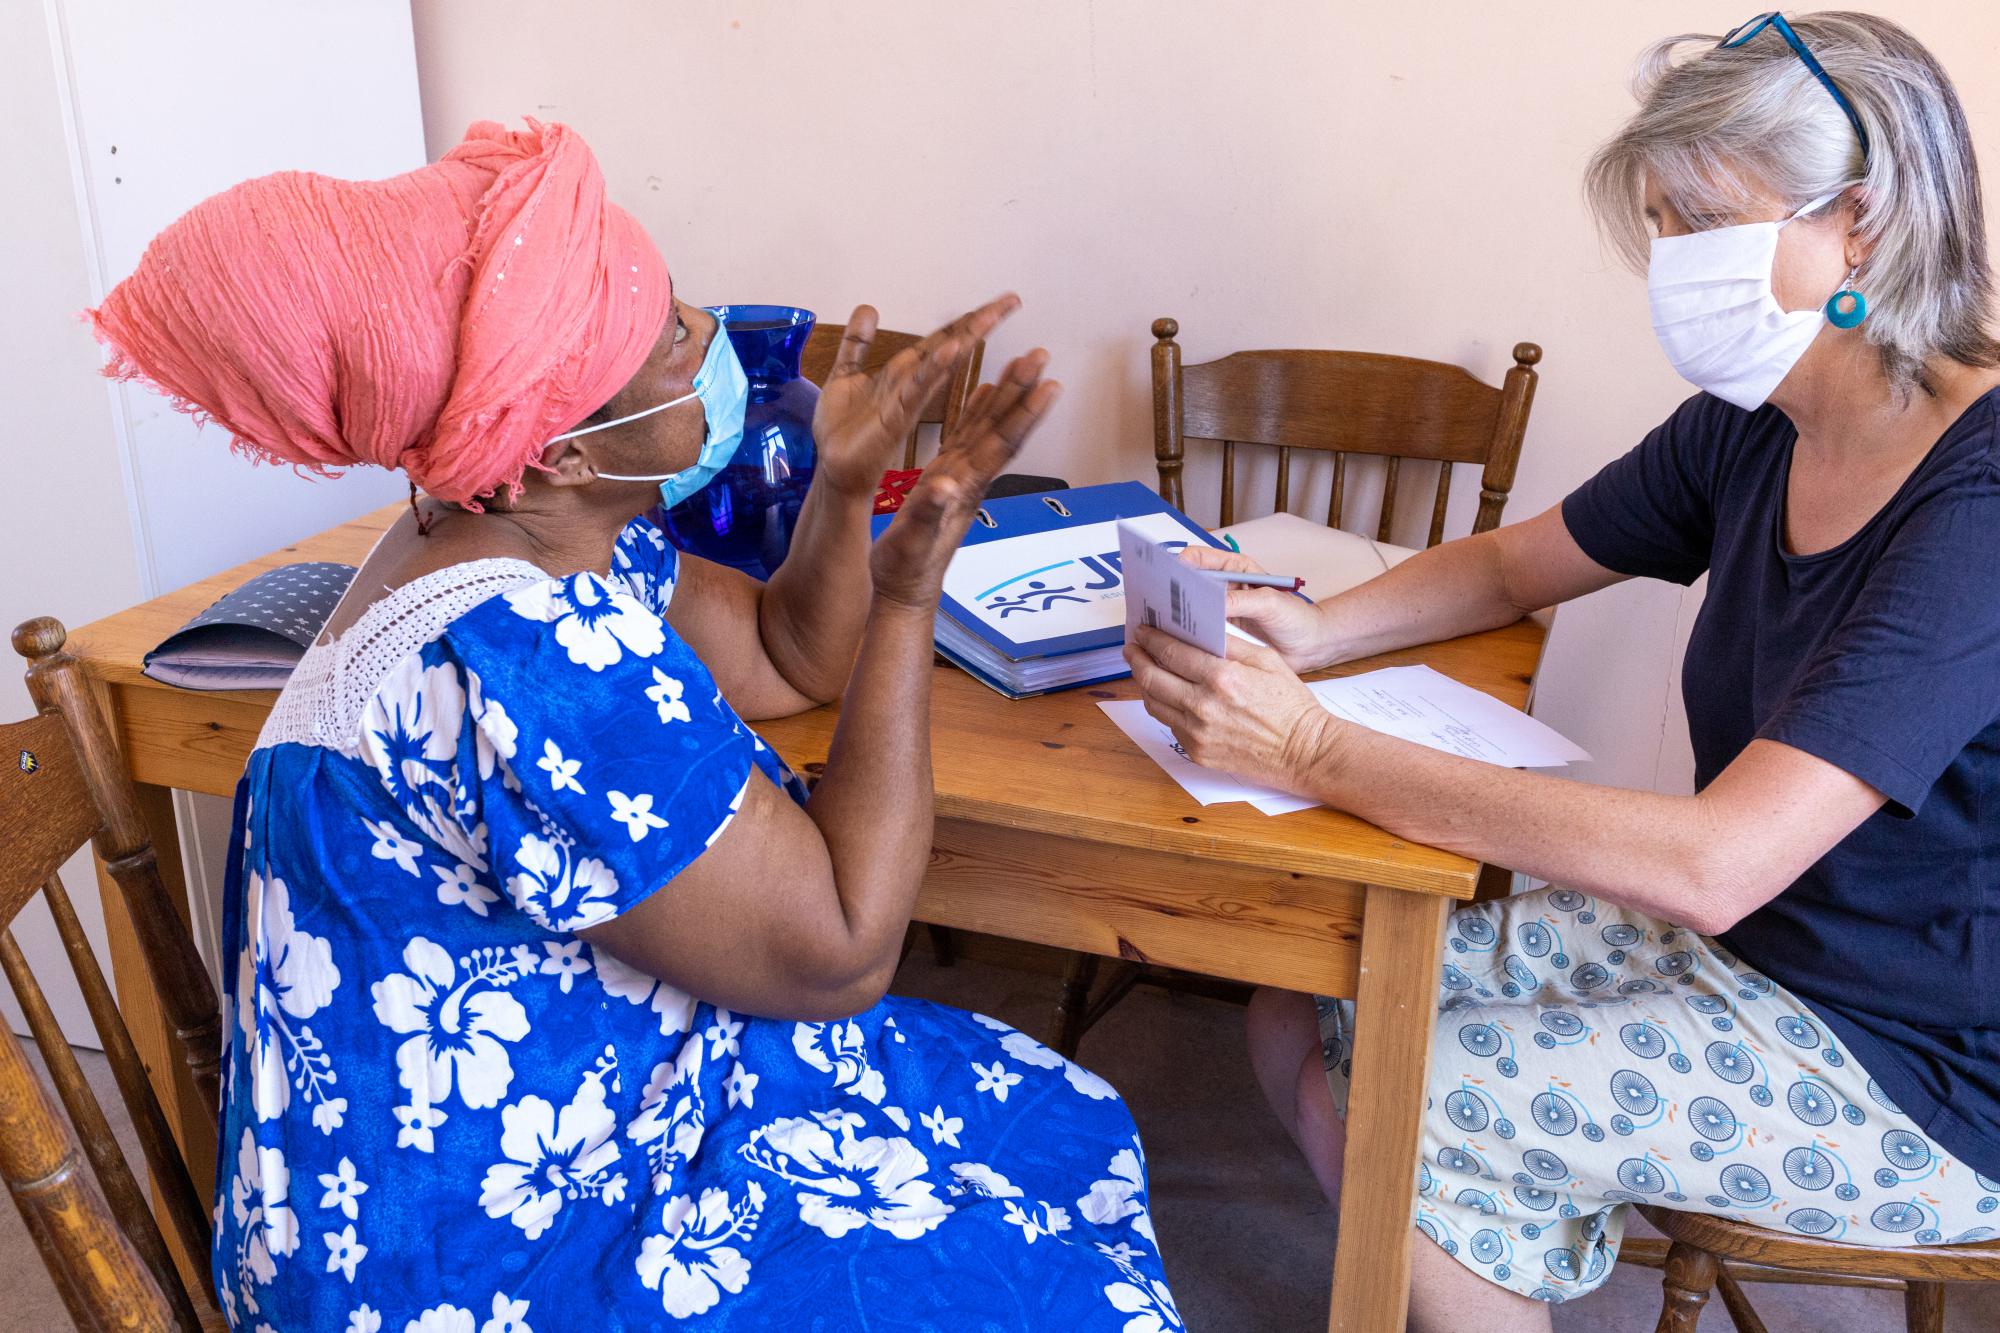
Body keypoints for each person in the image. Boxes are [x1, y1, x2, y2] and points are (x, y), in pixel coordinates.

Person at [89, 120, 1177, 1331]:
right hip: (474, 1257)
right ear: (548, 449)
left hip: (502, 1152)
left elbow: (783, 653)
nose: (709, 344)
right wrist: (909, 589)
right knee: (1022, 1238)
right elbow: (843, 948)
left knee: (1035, 1122)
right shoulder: (521, 646)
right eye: (665, 339)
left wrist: (837, 487)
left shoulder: (512, 534)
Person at [1124, 12, 2000, 1330]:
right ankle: (1443, 1277)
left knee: (1430, 1093)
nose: (1669, 263)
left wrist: (1309, 748)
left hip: (1918, 1060)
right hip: (1761, 955)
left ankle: (1447, 1253)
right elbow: (1510, 567)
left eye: (1703, 220)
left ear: (1859, 225)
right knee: (1303, 992)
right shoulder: (1759, 423)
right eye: (1658, 221)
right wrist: (1314, 629)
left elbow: (1714, 864)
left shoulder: (1976, 501)